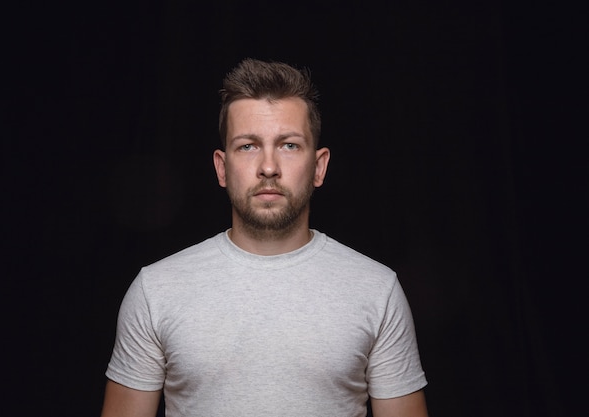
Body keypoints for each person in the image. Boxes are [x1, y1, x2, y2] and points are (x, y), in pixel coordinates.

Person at [100, 58, 429, 417]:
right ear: (222, 168)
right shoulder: (156, 290)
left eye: (288, 145)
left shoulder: (376, 290)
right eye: (248, 146)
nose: (269, 167)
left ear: (318, 166)